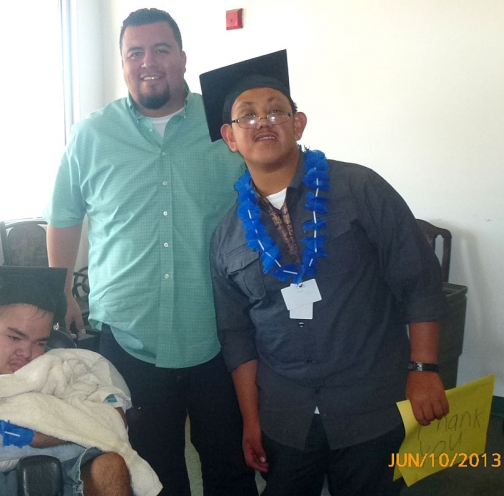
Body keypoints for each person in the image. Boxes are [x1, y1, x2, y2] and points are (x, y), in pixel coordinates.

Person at [200, 50, 450, 496]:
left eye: (277, 110)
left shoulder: (360, 188)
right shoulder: (226, 236)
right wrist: (252, 420)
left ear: (298, 124)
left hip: (370, 404)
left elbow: (418, 279)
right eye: (247, 116)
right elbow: (236, 335)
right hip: (285, 417)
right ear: (230, 137)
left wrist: (424, 368)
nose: (263, 122)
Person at [44, 8, 257, 496]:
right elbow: (64, 216)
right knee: (151, 471)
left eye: (161, 49)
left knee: (230, 465)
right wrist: (62, 292)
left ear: (182, 58)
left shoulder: (227, 127)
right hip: (129, 338)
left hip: (220, 333)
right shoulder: (91, 136)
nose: (148, 62)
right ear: (122, 63)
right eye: (134, 52)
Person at [0, 265, 132, 496]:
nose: (27, 353)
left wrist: (44, 437)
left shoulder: (57, 363)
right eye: (15, 337)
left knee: (111, 467)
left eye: (39, 342)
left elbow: (114, 415)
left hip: (64, 462)